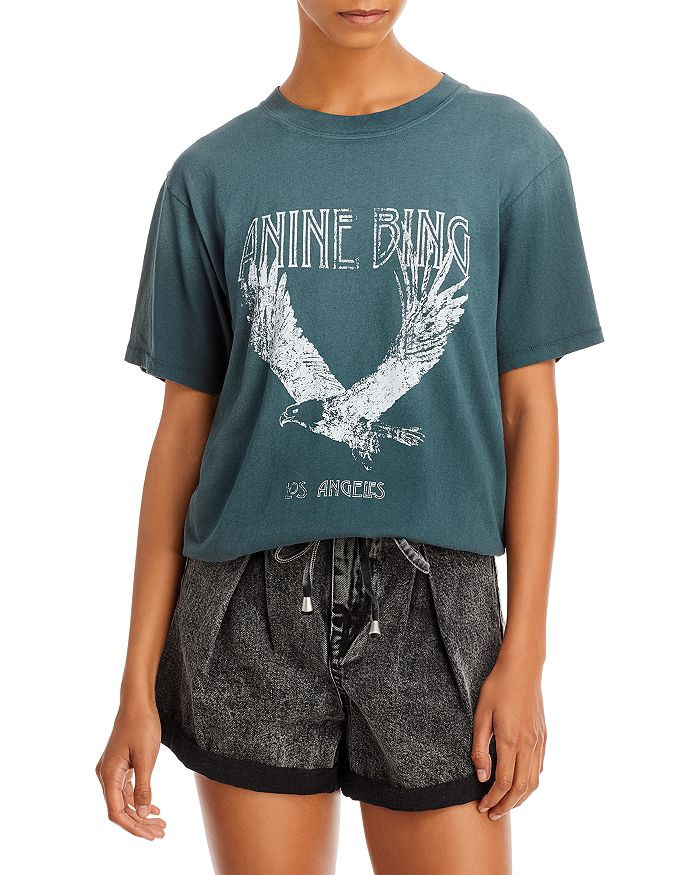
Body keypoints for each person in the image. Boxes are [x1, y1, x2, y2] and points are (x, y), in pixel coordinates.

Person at [95, 2, 603, 872]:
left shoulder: (510, 154)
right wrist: (134, 684)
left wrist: (525, 651)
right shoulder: (211, 175)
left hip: (436, 604)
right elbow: (181, 438)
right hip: (248, 607)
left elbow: (530, 413)